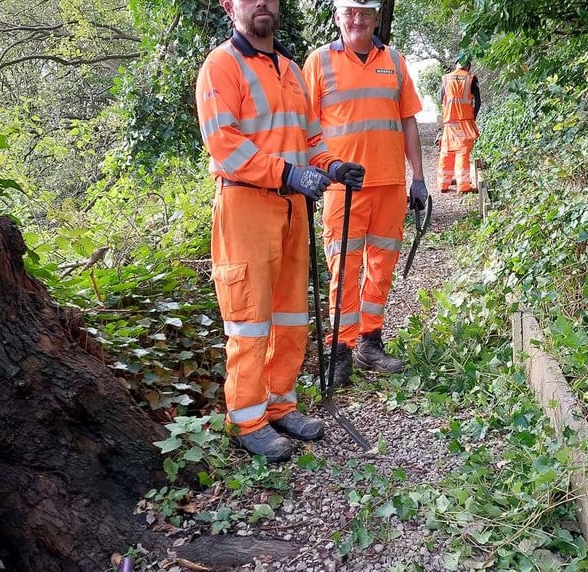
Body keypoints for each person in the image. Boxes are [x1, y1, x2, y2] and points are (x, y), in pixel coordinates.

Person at [195, 0, 365, 462]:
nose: (262, 3)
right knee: (250, 318)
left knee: (291, 315)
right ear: (230, 6)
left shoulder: (290, 68)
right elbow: (224, 143)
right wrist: (288, 174)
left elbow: (309, 140)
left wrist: (333, 165)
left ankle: (279, 404)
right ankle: (247, 419)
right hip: (245, 206)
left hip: (293, 209)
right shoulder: (220, 65)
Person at [302, 0, 428, 386]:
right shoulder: (319, 62)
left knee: (380, 267)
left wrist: (418, 179)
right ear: (338, 17)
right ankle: (339, 348)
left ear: (375, 18)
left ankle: (370, 341)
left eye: (365, 13)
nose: (357, 20)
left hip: (389, 184)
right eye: (350, 12)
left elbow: (407, 122)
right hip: (342, 187)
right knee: (344, 267)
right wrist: (309, 174)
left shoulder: (395, 60)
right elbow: (305, 125)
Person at [437, 55, 481, 194]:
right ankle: (463, 187)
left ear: (456, 65)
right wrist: (472, 117)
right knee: (462, 152)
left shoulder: (446, 78)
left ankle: (443, 184)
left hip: (449, 122)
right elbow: (478, 102)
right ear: (468, 66)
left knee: (447, 152)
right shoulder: (471, 78)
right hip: (465, 121)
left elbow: (440, 98)